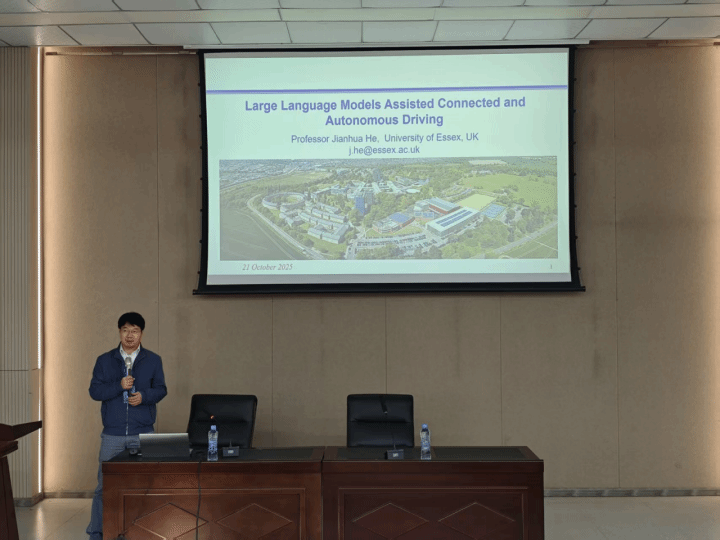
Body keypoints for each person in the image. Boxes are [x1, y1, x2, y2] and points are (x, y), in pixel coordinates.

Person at [86, 312, 167, 540]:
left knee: (143, 487)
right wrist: (118, 386)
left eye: (135, 331)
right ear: (119, 332)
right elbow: (95, 391)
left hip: (143, 433)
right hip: (112, 435)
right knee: (104, 487)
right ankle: (98, 533)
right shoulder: (105, 360)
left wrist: (144, 396)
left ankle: (139, 531)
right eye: (125, 330)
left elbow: (161, 389)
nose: (130, 335)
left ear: (141, 333)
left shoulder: (153, 360)